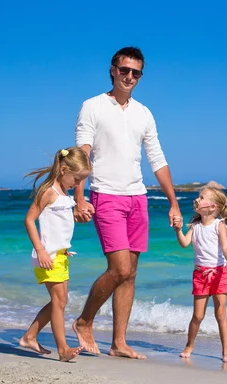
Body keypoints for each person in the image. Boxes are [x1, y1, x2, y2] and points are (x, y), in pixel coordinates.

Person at [72, 46, 182, 360]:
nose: (129, 77)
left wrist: (173, 203)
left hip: (138, 198)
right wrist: (79, 198)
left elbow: (158, 160)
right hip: (105, 195)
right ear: (113, 69)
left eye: (136, 73)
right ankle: (84, 321)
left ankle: (119, 342)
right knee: (118, 268)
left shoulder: (144, 113)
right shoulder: (92, 106)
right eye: (124, 70)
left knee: (131, 273)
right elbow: (84, 153)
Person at [19, 147, 91, 362]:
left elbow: (59, 224)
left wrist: (63, 246)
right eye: (76, 179)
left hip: (60, 255)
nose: (77, 184)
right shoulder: (48, 190)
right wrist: (41, 250)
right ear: (63, 169)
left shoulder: (64, 193)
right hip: (47, 256)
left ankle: (30, 337)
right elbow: (29, 220)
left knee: (59, 301)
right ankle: (63, 350)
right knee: (59, 302)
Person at [172, 187, 227, 363]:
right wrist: (178, 230)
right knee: (197, 316)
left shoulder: (219, 225)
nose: (197, 199)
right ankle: (189, 345)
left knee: (221, 315)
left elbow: (226, 247)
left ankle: (226, 351)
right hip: (200, 274)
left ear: (212, 207)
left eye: (201, 197)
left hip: (219, 273)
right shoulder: (195, 226)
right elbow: (184, 243)